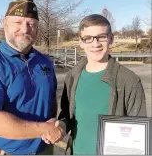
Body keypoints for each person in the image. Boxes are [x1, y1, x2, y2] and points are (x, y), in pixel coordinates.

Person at [0, 0, 64, 155]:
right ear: (4, 24)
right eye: (17, 22)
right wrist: (43, 129)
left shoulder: (45, 62)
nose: (25, 29)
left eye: (31, 24)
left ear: (37, 28)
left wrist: (52, 124)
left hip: (42, 150)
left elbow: (51, 99)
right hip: (0, 152)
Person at [58, 14, 147, 155]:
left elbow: (138, 134)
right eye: (88, 38)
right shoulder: (73, 76)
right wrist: (62, 125)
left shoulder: (129, 81)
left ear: (110, 39)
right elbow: (67, 115)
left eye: (102, 37)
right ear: (81, 42)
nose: (95, 44)